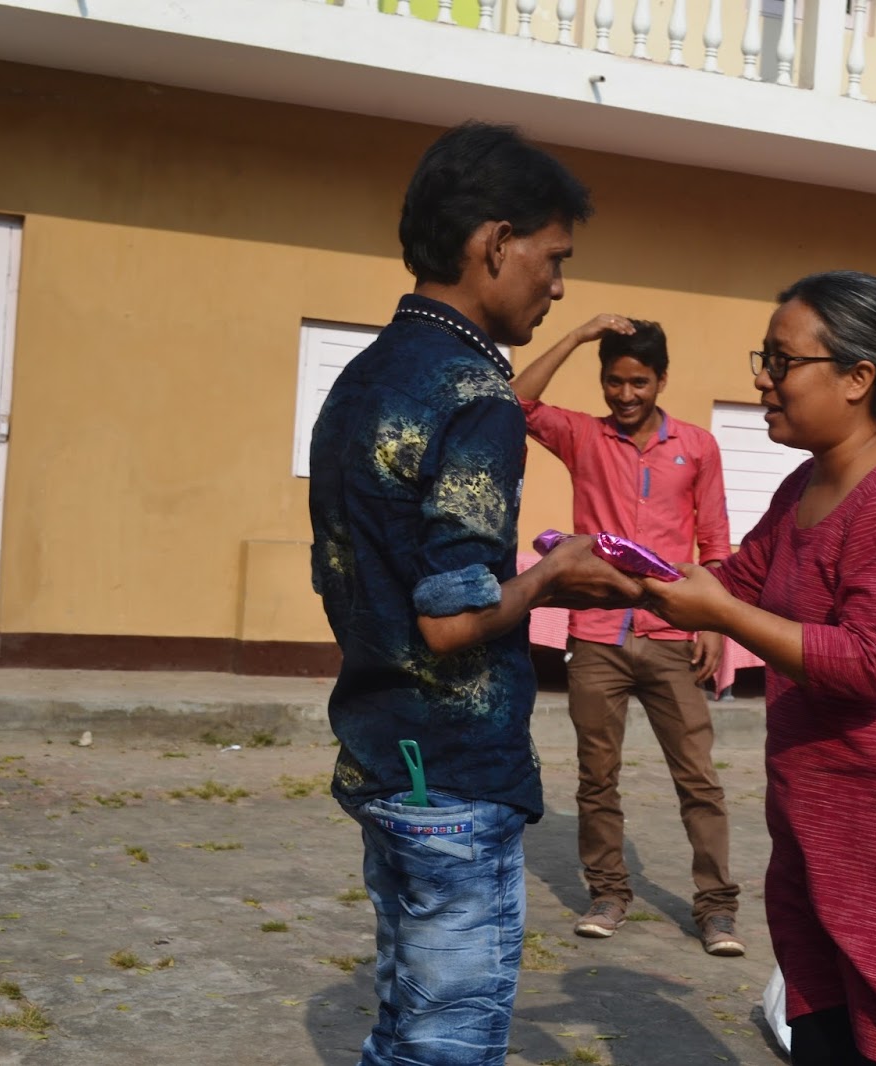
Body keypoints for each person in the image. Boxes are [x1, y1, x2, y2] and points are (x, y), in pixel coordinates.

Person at [308, 122, 643, 1066]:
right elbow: (452, 621)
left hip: (381, 756)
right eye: (554, 257)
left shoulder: (363, 378)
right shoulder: (476, 395)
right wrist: (555, 574)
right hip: (454, 776)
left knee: (404, 1030)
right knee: (447, 1045)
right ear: (496, 243)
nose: (559, 285)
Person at [642, 271, 876, 1065]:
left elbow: (868, 662)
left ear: (856, 378)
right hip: (819, 824)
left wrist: (722, 616)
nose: (762, 379)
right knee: (821, 1041)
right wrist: (611, 570)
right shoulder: (805, 485)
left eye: (782, 361)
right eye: (765, 358)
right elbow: (736, 582)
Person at [511, 315, 744, 955]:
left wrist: (716, 625)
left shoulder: (697, 446)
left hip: (673, 635)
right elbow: (517, 402)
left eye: (639, 382)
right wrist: (577, 335)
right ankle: (608, 893)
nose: (625, 395)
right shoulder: (583, 436)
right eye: (614, 381)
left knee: (698, 779)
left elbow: (716, 544)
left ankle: (717, 909)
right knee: (597, 775)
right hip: (597, 638)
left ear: (661, 379)